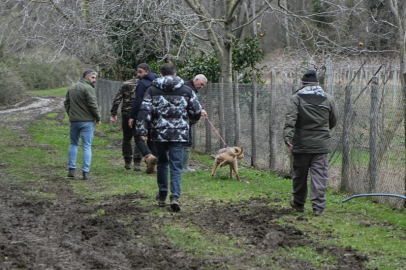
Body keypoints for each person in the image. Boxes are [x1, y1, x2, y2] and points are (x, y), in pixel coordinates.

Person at [136, 63, 202, 212]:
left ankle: (162, 195)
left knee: (162, 163)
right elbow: (197, 110)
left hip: (159, 132)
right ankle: (175, 197)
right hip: (179, 133)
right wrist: (190, 120)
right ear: (175, 73)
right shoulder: (186, 90)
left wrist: (142, 131)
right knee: (176, 165)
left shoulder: (152, 90)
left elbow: (144, 111)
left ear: (160, 74)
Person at [283, 69, 338, 216]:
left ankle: (298, 203)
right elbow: (333, 121)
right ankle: (318, 208)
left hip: (301, 144)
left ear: (303, 83)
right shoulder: (328, 99)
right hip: (321, 146)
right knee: (319, 176)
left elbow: (291, 119)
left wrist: (287, 137)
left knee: (300, 175)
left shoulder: (296, 98)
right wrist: (322, 132)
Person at [64, 70, 101, 180]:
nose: (94, 80)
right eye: (93, 78)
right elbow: (92, 104)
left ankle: (71, 170)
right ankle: (85, 172)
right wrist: (98, 117)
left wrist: (71, 114)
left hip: (74, 121)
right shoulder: (88, 88)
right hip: (87, 122)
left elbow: (66, 103)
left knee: (73, 144)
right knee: (87, 146)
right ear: (86, 77)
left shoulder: (72, 87)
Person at [129, 63, 158, 174]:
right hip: (156, 115)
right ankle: (154, 166)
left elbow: (138, 101)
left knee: (138, 136)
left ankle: (148, 156)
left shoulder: (143, 83)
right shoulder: (157, 82)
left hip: (143, 113)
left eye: (140, 72)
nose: (138, 74)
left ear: (147, 71)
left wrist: (133, 116)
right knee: (152, 140)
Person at [110, 72, 142, 171]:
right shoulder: (144, 84)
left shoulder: (126, 84)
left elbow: (117, 98)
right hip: (140, 114)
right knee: (139, 138)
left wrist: (113, 112)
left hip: (127, 113)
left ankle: (127, 161)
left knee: (127, 138)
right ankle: (137, 162)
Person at [183, 74, 208, 172]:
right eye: (201, 84)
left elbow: (194, 103)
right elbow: (189, 104)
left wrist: (201, 109)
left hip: (187, 119)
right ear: (196, 79)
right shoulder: (188, 88)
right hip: (185, 120)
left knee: (186, 142)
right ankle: (183, 167)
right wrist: (199, 110)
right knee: (187, 142)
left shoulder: (190, 87)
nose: (201, 87)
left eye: (203, 85)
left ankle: (181, 166)